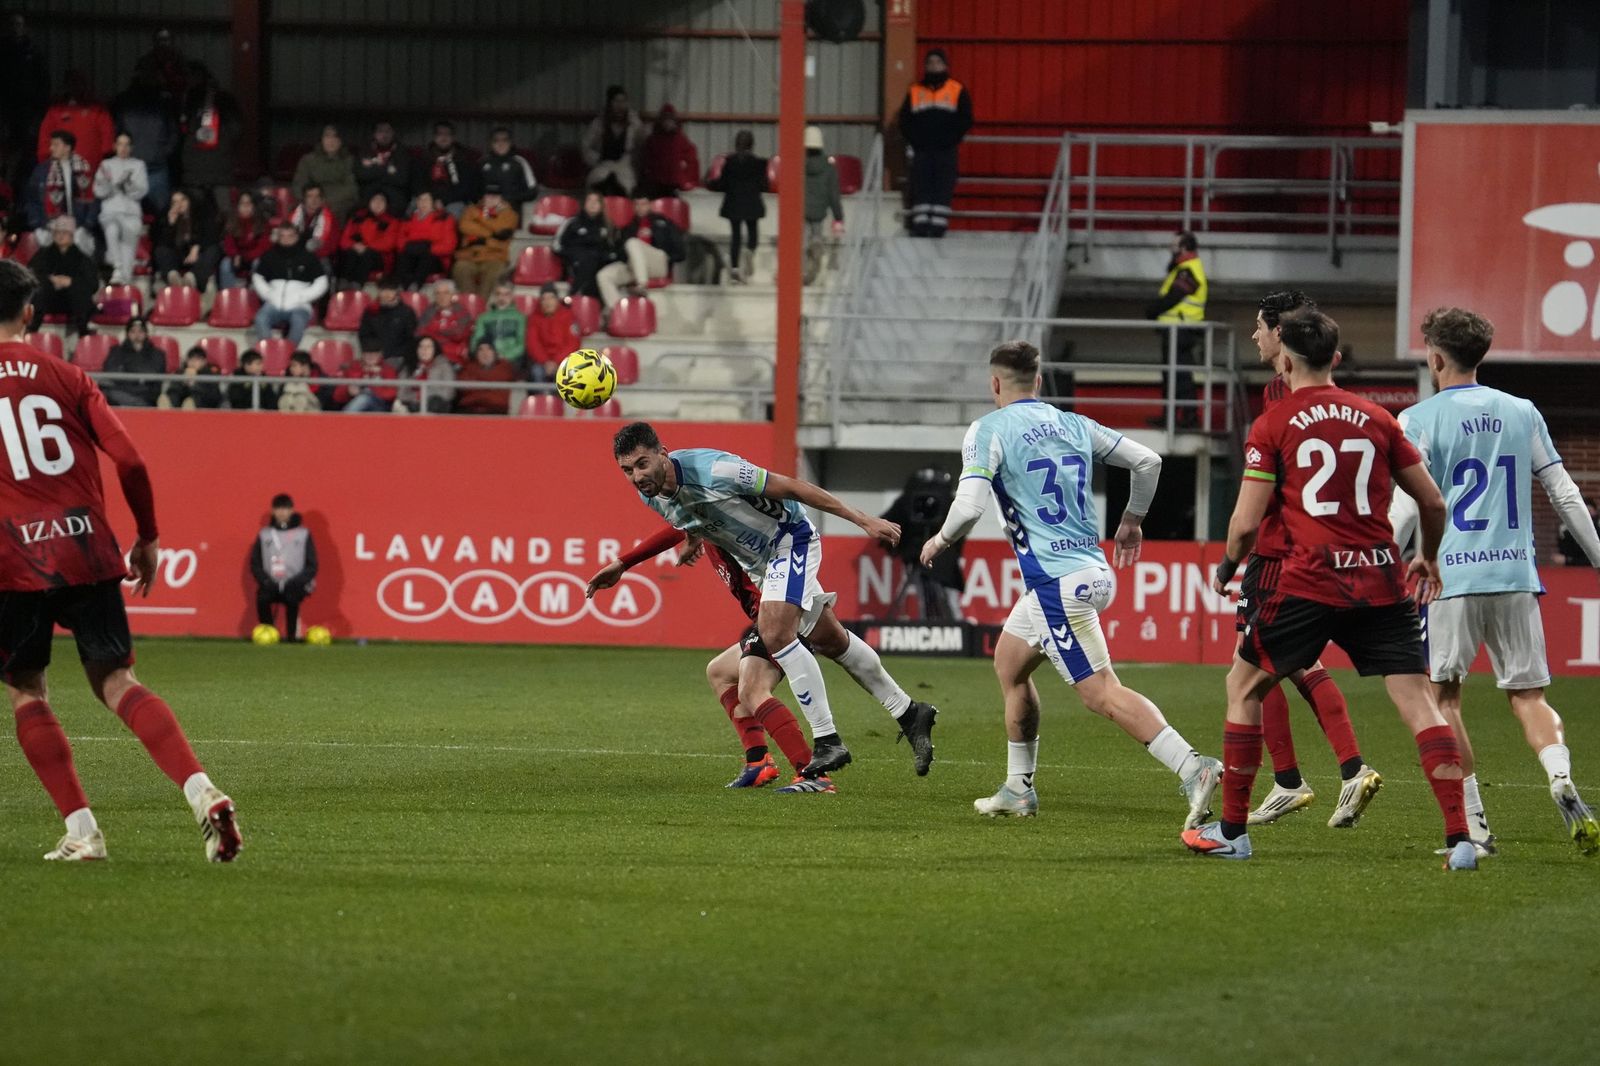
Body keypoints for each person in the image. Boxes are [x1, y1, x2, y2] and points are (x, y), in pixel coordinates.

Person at [1184, 308, 1477, 869]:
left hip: (1307, 579)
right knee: (1420, 702)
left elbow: (1245, 524)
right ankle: (1461, 838)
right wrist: (1429, 558)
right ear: (1335, 359)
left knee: (1243, 687)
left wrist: (1225, 567)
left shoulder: (1272, 423)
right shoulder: (1380, 417)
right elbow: (1434, 502)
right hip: (1381, 579)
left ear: (1286, 359)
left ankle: (1233, 832)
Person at [0, 258, 242, 862]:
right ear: (30, 313)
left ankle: (83, 832)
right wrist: (149, 536)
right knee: (116, 681)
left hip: (13, 562)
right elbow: (131, 461)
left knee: (28, 688)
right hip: (86, 547)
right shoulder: (68, 375)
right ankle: (200, 789)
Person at [918, 340, 1220, 823]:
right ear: (1038, 382)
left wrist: (940, 540)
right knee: (1010, 664)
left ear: (995, 383)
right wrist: (1132, 522)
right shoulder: (1074, 423)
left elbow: (970, 504)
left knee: (1099, 692)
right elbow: (1149, 462)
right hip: (1088, 571)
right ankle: (1019, 789)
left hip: (1058, 585)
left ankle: (1193, 767)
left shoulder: (988, 429)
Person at [601, 421, 940, 784]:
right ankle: (909, 711)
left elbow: (795, 488)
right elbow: (694, 514)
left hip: (789, 539)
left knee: (776, 634)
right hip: (761, 565)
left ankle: (827, 738)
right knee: (831, 639)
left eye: (642, 464)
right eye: (627, 470)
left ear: (663, 454)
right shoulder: (651, 494)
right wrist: (691, 540)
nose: (637, 476)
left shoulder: (717, 470)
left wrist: (864, 519)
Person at [1389, 307, 1600, 856]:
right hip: (1514, 575)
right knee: (1529, 695)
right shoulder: (1522, 411)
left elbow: (1410, 506)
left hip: (1450, 578)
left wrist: (1381, 557)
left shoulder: (1419, 418)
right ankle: (1558, 775)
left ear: (1435, 356)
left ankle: (1476, 828)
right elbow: (1564, 493)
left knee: (1444, 701)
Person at [1227, 291, 1374, 829]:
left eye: (1259, 327)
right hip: (1311, 549)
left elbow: (1278, 475)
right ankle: (1297, 778)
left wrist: (1238, 553)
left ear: (1279, 333)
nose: (1254, 337)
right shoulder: (1296, 389)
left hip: (1281, 551)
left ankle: (1327, 773)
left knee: (1259, 666)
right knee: (1269, 663)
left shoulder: (1287, 395)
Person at [586, 528, 818, 791]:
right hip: (770, 617)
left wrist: (622, 563)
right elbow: (682, 527)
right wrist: (693, 538)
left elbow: (679, 526)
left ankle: (812, 773)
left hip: (780, 616)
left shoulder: (717, 514)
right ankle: (758, 763)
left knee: (753, 690)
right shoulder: (706, 523)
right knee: (720, 672)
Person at [897, 48, 972, 238]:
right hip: (922, 149)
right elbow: (904, 120)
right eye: (930, 63)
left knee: (943, 185)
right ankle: (921, 225)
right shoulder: (915, 90)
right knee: (921, 185)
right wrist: (915, 140)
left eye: (938, 63)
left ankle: (938, 226)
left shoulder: (957, 89)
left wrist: (950, 139)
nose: (934, 66)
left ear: (945, 66)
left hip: (946, 149)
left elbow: (965, 119)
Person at [883, 468, 964, 621]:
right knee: (924, 600)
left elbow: (962, 529)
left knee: (951, 601)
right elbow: (889, 524)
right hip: (917, 557)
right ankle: (927, 628)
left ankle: (959, 634)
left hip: (945, 563)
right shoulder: (905, 503)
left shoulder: (950, 503)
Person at [1145, 231, 1207, 428]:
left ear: (1186, 248)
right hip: (1175, 330)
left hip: (1181, 330)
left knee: (1180, 375)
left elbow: (1173, 297)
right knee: (1173, 374)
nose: (1172, 251)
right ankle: (1171, 416)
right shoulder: (1182, 269)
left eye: (1175, 247)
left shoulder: (1188, 270)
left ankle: (1188, 417)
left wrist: (1151, 311)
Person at [597, 193, 685, 309]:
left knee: (632, 242)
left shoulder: (664, 223)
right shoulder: (628, 228)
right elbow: (621, 254)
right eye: (636, 204)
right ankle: (619, 312)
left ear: (650, 205)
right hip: (635, 266)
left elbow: (681, 252)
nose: (640, 207)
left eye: (643, 204)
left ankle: (642, 286)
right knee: (604, 275)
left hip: (658, 263)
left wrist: (669, 258)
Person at [251, 493, 318, 642]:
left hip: (295, 583)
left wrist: (297, 582)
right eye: (278, 509)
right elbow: (255, 563)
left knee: (292, 597)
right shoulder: (264, 534)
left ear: (291, 510)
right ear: (273, 511)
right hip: (271, 582)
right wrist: (265, 581)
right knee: (262, 597)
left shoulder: (303, 533)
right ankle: (268, 633)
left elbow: (312, 565)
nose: (282, 512)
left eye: (285, 508)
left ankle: (292, 637)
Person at [178, 64, 241, 217]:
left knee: (192, 214)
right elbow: (236, 130)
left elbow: (181, 130)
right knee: (226, 214)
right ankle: (226, 241)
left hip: (195, 168)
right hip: (221, 167)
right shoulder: (227, 100)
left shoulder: (188, 100)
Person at [252, 220, 328, 345]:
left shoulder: (308, 256)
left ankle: (289, 356)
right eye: (283, 236)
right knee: (260, 318)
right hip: (273, 303)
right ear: (278, 237)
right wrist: (267, 294)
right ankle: (268, 352)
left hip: (299, 305)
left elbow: (322, 282)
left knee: (298, 321)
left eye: (290, 236)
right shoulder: (269, 255)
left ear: (296, 236)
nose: (286, 239)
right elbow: (258, 277)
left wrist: (302, 296)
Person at [110, 72, 176, 212]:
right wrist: (163, 153)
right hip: (154, 166)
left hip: (136, 166)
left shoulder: (124, 104)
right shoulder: (163, 105)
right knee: (161, 214)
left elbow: (115, 133)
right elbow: (173, 134)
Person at [708, 130, 766, 284]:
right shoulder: (759, 163)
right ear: (752, 145)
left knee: (736, 236)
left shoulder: (730, 162)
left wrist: (710, 183)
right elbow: (764, 184)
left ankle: (734, 268)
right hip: (752, 202)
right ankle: (750, 250)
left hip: (734, 202)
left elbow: (722, 184)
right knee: (753, 231)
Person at [25, 130, 96, 254]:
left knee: (81, 251)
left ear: (67, 147)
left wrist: (86, 226)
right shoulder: (42, 171)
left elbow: (95, 199)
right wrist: (37, 225)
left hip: (78, 224)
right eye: (51, 144)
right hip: (49, 224)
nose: (51, 148)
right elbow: (31, 199)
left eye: (56, 144)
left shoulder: (84, 169)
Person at [93, 131, 149, 285]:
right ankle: (116, 266)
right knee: (112, 230)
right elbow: (98, 190)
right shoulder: (106, 165)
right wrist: (110, 186)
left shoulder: (138, 165)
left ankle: (124, 280)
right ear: (114, 146)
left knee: (128, 247)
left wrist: (127, 185)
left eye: (126, 145)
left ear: (131, 147)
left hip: (131, 212)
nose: (123, 148)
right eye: (120, 144)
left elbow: (142, 190)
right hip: (111, 211)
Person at [35, 70, 114, 177]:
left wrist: (105, 163)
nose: (76, 86)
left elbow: (107, 140)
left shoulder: (97, 110)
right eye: (72, 82)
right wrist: (46, 163)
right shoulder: (56, 111)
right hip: (60, 171)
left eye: (79, 82)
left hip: (91, 171)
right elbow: (44, 141)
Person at [29, 217, 98, 336]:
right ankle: (32, 329)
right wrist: (50, 280)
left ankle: (83, 331)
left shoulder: (82, 258)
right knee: (40, 288)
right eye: (57, 233)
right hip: (49, 300)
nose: (60, 236)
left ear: (71, 235)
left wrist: (71, 282)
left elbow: (93, 284)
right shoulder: (43, 254)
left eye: (64, 232)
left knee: (78, 290)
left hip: (72, 303)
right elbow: (30, 275)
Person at [452, 185, 518, 300]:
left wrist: (479, 219)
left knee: (494, 273)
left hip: (495, 257)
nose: (491, 198)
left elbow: (501, 229)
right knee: (460, 268)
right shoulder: (471, 210)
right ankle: (470, 304)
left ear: (501, 198)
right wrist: (491, 235)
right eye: (488, 195)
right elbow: (464, 226)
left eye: (495, 196)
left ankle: (480, 307)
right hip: (470, 256)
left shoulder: (510, 214)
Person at [150, 187, 220, 290]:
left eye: (183, 200)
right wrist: (170, 225)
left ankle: (192, 279)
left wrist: (196, 247)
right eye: (175, 202)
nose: (179, 204)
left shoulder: (201, 214)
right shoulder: (166, 217)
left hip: (198, 258)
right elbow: (161, 243)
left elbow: (211, 236)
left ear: (189, 201)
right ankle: (173, 278)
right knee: (160, 250)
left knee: (213, 250)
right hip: (178, 257)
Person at [552, 189, 616, 299]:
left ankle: (575, 295)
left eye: (596, 201)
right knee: (590, 261)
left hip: (598, 263)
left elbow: (612, 249)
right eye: (589, 200)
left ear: (601, 205)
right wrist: (572, 254)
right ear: (584, 204)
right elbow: (556, 246)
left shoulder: (608, 226)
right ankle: (579, 296)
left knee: (596, 264)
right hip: (575, 262)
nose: (593, 204)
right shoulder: (572, 223)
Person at [583, 86, 645, 197]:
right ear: (610, 103)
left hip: (625, 166)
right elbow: (585, 146)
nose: (620, 105)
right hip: (603, 165)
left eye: (623, 101)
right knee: (595, 185)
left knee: (625, 188)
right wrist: (597, 159)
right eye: (616, 101)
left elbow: (643, 146)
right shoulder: (599, 123)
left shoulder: (634, 123)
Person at [802, 125, 845, 285]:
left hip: (802, 209)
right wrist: (839, 217)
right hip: (820, 210)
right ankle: (817, 242)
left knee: (802, 240)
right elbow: (834, 194)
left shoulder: (798, 165)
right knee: (816, 231)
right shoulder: (829, 167)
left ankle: (804, 270)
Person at [291, 125, 358, 224]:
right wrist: (312, 201)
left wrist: (325, 202)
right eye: (327, 136)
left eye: (335, 137)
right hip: (311, 201)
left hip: (338, 203)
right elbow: (299, 185)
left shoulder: (349, 161)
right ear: (321, 139)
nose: (331, 141)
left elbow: (351, 188)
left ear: (341, 141)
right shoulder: (308, 160)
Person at [393, 190, 457, 290]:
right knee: (403, 257)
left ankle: (415, 286)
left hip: (434, 258)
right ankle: (401, 287)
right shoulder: (408, 218)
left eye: (426, 200)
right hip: (411, 254)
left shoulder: (444, 218)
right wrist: (411, 247)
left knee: (426, 256)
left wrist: (428, 248)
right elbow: (400, 241)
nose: (423, 203)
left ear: (433, 202)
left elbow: (449, 245)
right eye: (420, 200)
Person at [336, 190, 400, 290]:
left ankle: (357, 285)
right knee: (350, 253)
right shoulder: (357, 217)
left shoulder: (391, 221)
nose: (378, 204)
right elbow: (344, 239)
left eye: (381, 201)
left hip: (379, 257)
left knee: (367, 254)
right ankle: (343, 284)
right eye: (375, 200)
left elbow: (388, 243)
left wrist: (366, 246)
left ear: (386, 204)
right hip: (357, 251)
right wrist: (354, 245)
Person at [637, 104, 700, 199]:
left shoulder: (681, 139)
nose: (668, 123)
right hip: (656, 183)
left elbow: (691, 158)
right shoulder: (653, 140)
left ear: (675, 122)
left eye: (670, 120)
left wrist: (686, 177)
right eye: (665, 120)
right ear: (660, 121)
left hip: (675, 184)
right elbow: (646, 161)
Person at [417, 121, 478, 218]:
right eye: (440, 134)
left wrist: (444, 200)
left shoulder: (463, 158)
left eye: (447, 134)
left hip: (454, 201)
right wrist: (431, 200)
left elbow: (466, 188)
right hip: (429, 199)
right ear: (434, 137)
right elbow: (419, 183)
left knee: (454, 212)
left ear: (453, 137)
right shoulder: (425, 158)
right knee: (414, 208)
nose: (443, 138)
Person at [100, 317, 165, 407]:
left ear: (146, 333)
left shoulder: (157, 354)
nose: (137, 335)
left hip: (146, 396)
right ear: (127, 333)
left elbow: (152, 375)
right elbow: (110, 372)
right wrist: (138, 379)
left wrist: (126, 368)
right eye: (133, 331)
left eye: (140, 331)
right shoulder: (116, 351)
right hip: (118, 394)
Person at [218, 189, 272, 289]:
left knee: (258, 263)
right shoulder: (232, 222)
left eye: (248, 203)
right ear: (238, 206)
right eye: (242, 204)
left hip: (254, 257)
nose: (245, 207)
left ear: (254, 206)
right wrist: (235, 255)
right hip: (237, 258)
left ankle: (256, 293)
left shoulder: (262, 222)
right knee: (225, 264)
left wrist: (245, 257)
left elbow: (264, 247)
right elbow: (229, 244)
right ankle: (229, 296)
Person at [359, 276, 419, 367]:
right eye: (383, 290)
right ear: (379, 291)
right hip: (374, 357)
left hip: (400, 358)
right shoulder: (370, 311)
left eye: (391, 290)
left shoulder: (406, 312)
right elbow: (364, 335)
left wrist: (398, 354)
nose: (387, 293)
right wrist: (375, 353)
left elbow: (411, 338)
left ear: (396, 291)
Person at [524, 283, 578, 379]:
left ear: (557, 300)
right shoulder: (534, 318)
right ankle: (542, 394)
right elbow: (533, 343)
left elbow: (573, 343)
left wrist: (557, 361)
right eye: (544, 299)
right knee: (536, 372)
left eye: (551, 298)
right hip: (542, 363)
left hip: (564, 361)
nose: (547, 302)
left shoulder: (569, 316)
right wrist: (546, 362)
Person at [355, 121, 411, 211]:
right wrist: (386, 169)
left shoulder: (401, 151)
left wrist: (374, 169)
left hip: (394, 196)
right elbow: (361, 175)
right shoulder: (365, 149)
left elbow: (402, 179)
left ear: (393, 133)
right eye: (380, 131)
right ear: (374, 134)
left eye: (388, 131)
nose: (384, 135)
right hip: (370, 194)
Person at [470, 280, 527, 369]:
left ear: (512, 297)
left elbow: (522, 344)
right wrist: (488, 356)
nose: (501, 298)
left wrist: (505, 356)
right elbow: (477, 341)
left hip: (512, 360)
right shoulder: (483, 318)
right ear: (494, 296)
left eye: (506, 294)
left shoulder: (520, 318)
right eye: (498, 294)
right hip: (487, 360)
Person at [417, 278, 474, 365]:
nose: (441, 297)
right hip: (432, 356)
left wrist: (438, 330)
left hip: (456, 358)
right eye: (438, 293)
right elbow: (422, 334)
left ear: (452, 295)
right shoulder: (428, 313)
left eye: (446, 293)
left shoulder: (462, 313)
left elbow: (460, 335)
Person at [479, 126, 537, 210]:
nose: (500, 144)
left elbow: (532, 191)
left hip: (510, 210)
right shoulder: (482, 162)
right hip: (485, 209)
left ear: (511, 142)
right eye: (496, 140)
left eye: (505, 140)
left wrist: (508, 199)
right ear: (491, 143)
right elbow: (473, 190)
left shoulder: (519, 162)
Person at [454, 340, 517, 415]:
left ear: (495, 353)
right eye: (480, 350)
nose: (485, 353)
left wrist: (478, 384)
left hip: (496, 411)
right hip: (471, 410)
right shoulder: (468, 368)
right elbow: (464, 386)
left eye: (489, 349)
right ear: (476, 354)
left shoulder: (504, 368)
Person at [395, 335, 455, 414]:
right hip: (413, 404)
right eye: (421, 346)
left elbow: (449, 393)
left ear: (435, 349)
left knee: (435, 403)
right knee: (398, 405)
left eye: (429, 347)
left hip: (436, 405)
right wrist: (417, 397)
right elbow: (401, 394)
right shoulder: (408, 366)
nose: (424, 350)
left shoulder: (444, 366)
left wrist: (424, 395)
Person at [335, 345, 399, 413]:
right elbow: (337, 396)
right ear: (362, 355)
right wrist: (348, 391)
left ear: (380, 355)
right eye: (367, 354)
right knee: (363, 397)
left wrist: (372, 389)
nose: (370, 357)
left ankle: (344, 421)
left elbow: (392, 394)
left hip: (380, 406)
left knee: (365, 396)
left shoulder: (387, 370)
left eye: (374, 354)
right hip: (354, 402)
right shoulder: (353, 368)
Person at [289, 183, 338, 266]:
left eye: (317, 196)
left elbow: (331, 246)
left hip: (318, 256)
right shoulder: (293, 215)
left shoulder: (330, 218)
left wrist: (313, 251)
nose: (314, 200)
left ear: (322, 199)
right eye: (310, 196)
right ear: (304, 199)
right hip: (296, 253)